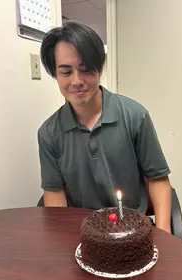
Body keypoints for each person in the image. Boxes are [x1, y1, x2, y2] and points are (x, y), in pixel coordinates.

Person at [38, 21, 172, 233]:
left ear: (99, 68)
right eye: (66, 72)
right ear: (55, 74)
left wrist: (165, 237)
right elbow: (54, 196)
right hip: (79, 234)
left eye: (86, 70)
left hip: (131, 231)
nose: (77, 81)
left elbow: (158, 180)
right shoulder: (49, 133)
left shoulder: (135, 116)